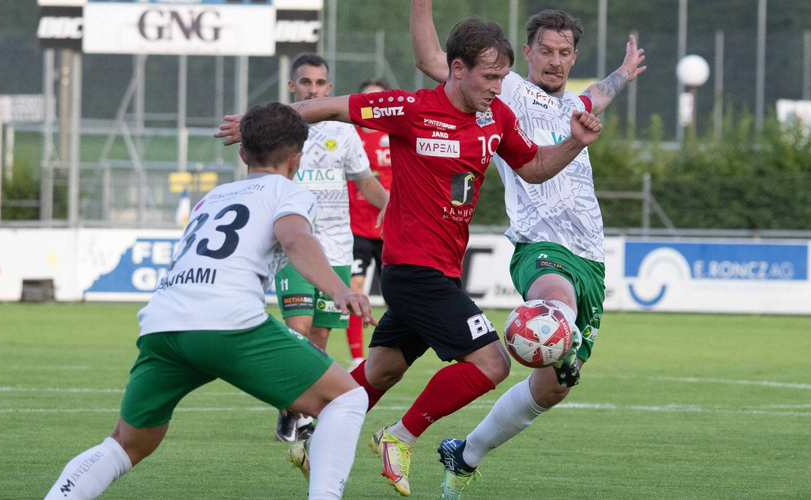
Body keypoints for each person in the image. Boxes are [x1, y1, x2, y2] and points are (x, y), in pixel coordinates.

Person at [217, 18, 602, 496]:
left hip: (443, 271)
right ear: (456, 70)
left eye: (503, 78)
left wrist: (573, 143)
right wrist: (260, 122)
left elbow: (537, 168)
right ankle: (400, 437)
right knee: (493, 365)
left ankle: (311, 437)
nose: (498, 88)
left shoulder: (496, 117)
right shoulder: (409, 108)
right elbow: (329, 106)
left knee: (381, 371)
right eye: (489, 78)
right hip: (411, 271)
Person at [44, 103, 375, 500]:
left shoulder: (213, 197)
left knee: (125, 444)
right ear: (296, 159)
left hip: (162, 325)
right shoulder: (288, 190)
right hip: (227, 323)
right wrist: (339, 289)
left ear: (242, 154)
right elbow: (296, 238)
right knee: (348, 397)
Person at [410, 1, 646, 497]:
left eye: (564, 52)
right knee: (554, 306)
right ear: (528, 53)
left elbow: (599, 95)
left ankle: (466, 453)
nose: (554, 60)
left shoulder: (573, 106)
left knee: (557, 386)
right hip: (540, 245)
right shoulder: (507, 90)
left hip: (590, 258)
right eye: (545, 51)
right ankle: (548, 325)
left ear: (573, 57)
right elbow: (432, 59)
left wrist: (622, 73)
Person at [274, 54, 390, 443]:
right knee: (299, 329)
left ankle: (292, 405)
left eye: (319, 84)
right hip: (292, 245)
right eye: (305, 83)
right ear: (293, 87)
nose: (312, 89)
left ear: (328, 88)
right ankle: (303, 417)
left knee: (320, 339)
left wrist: (394, 207)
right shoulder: (278, 131)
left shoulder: (345, 133)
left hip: (337, 248)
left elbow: (366, 182)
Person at [346, 78, 394, 371]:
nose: (373, 105)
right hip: (354, 228)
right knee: (355, 289)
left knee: (396, 296)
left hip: (390, 228)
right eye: (367, 99)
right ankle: (355, 358)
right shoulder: (347, 135)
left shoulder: (396, 134)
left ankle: (392, 353)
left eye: (379, 99)